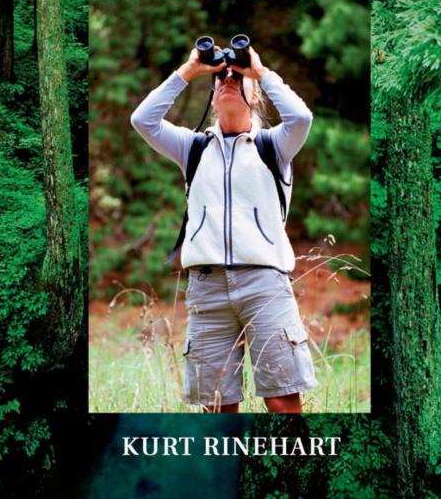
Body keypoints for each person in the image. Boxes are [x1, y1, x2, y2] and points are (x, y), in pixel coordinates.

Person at [131, 43, 317, 413]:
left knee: (281, 399)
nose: (228, 79)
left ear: (256, 95)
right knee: (216, 404)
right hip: (207, 287)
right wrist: (190, 70)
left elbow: (301, 118)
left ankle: (291, 469)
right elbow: (143, 120)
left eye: (237, 76)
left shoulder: (274, 146)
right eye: (221, 78)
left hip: (264, 284)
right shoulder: (192, 148)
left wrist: (258, 70)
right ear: (212, 98)